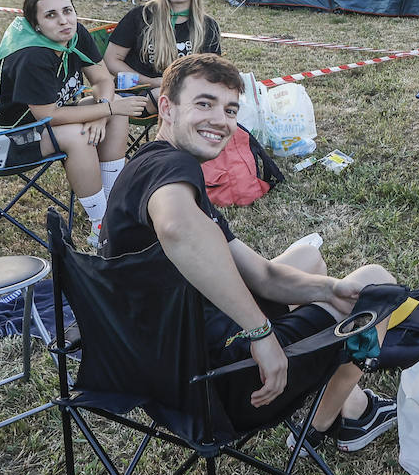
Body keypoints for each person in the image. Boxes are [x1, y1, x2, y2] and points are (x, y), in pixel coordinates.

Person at [101, 53, 400, 448]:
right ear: (167, 108)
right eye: (203, 104)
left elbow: (262, 275)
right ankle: (324, 425)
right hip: (216, 387)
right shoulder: (172, 168)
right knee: (377, 284)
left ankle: (351, 399)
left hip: (163, 366)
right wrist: (259, 332)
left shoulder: (150, 165)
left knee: (310, 263)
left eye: (229, 109)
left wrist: (327, 290)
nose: (220, 120)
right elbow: (175, 227)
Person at [0, 0, 147, 244]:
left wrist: (102, 113)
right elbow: (49, 116)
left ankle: (115, 208)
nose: (63, 20)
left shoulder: (74, 33)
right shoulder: (31, 55)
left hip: (31, 128)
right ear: (35, 25)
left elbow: (102, 78)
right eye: (51, 15)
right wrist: (107, 108)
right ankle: (101, 227)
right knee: (78, 134)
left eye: (68, 11)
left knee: (116, 110)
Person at [104, 0, 221, 99]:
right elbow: (111, 59)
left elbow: (213, 71)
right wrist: (151, 82)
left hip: (189, 95)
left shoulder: (207, 25)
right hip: (139, 94)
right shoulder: (142, 16)